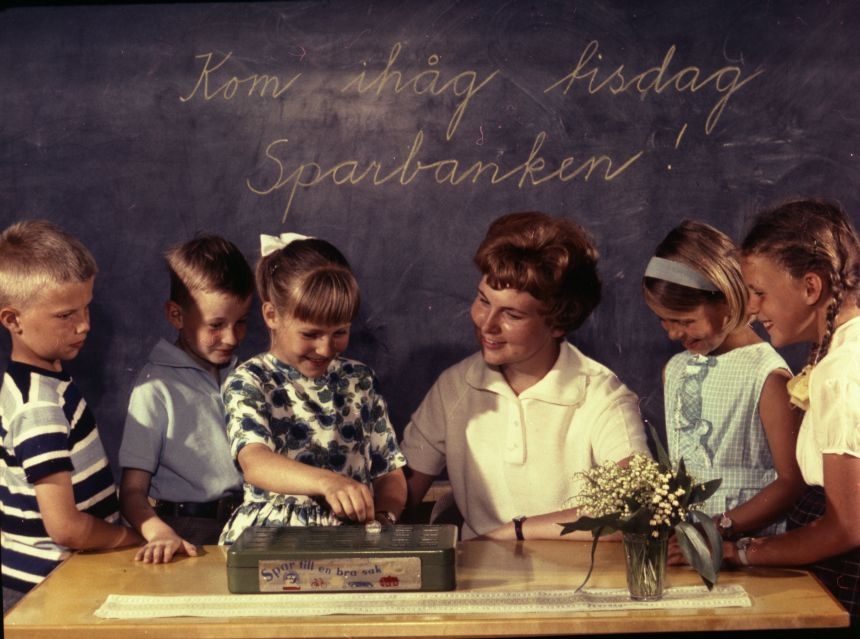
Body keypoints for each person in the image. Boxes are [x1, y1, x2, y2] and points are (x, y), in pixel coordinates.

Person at [400, 211, 649, 541]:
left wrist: (514, 531)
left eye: (512, 314)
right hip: (481, 580)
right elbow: (402, 492)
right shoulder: (455, 386)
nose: (486, 324)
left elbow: (635, 508)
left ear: (558, 323)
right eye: (483, 300)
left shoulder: (603, 397)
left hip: (576, 585)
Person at [218, 232, 407, 544]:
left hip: (352, 540)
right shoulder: (250, 380)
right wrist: (328, 483)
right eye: (310, 333)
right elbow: (255, 462)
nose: (325, 348)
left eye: (340, 332)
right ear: (271, 315)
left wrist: (384, 518)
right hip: (273, 541)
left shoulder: (359, 379)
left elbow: (390, 472)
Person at [726, 197, 860, 627]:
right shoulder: (841, 354)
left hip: (845, 579)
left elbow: (847, 527)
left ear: (810, 287)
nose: (752, 309)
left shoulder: (842, 373)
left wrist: (743, 552)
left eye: (760, 293)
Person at [0, 220, 143, 613]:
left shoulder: (41, 381)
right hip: (44, 591)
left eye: (86, 307)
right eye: (65, 315)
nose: (84, 325)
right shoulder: (39, 406)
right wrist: (128, 538)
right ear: (13, 320)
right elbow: (65, 527)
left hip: (56, 580)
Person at [643, 220, 805, 538]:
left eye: (685, 320)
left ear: (728, 301)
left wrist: (718, 530)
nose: (674, 333)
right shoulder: (675, 370)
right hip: (687, 547)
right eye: (664, 320)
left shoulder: (767, 376)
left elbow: (792, 482)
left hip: (750, 547)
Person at [118, 234, 255, 563]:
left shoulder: (246, 377)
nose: (231, 337)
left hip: (246, 523)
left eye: (241, 323)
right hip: (184, 531)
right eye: (217, 324)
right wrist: (160, 533)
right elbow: (132, 491)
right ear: (176, 316)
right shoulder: (154, 388)